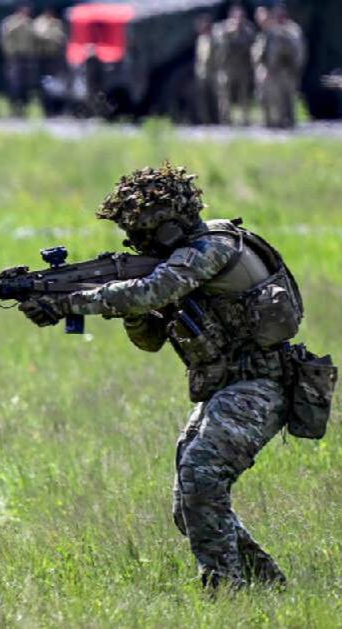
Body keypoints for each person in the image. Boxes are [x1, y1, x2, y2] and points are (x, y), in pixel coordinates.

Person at [19, 164, 303, 589]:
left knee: (202, 477)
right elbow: (150, 337)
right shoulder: (181, 261)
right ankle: (267, 585)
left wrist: (71, 303)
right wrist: (122, 311)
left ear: (168, 225)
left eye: (140, 231)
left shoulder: (214, 247)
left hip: (262, 383)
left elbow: (153, 291)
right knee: (187, 505)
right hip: (227, 388)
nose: (135, 242)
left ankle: (224, 588)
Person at [255, 5, 306, 128]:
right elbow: (263, 52)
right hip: (274, 72)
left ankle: (290, 125)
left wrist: (296, 68)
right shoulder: (270, 31)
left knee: (289, 100)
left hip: (288, 71)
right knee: (275, 101)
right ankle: (276, 124)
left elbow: (299, 51)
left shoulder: (292, 29)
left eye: (281, 15)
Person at [212, 4, 256, 125]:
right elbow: (217, 43)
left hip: (243, 67)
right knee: (225, 95)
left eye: (241, 16)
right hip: (226, 67)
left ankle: (245, 118)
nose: (239, 18)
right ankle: (225, 119)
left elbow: (251, 45)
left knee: (244, 94)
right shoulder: (221, 28)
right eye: (236, 16)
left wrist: (240, 33)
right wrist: (229, 33)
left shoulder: (248, 29)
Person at [0, 4, 37, 117]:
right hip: (14, 57)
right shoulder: (9, 22)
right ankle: (14, 109)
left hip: (27, 57)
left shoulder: (29, 23)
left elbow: (35, 37)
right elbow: (5, 37)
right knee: (14, 84)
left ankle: (24, 109)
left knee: (26, 84)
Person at [33, 7, 68, 116]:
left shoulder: (57, 23)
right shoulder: (39, 22)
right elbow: (41, 36)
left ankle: (57, 109)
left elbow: (62, 37)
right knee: (45, 84)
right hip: (44, 58)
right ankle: (47, 109)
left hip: (57, 58)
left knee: (58, 84)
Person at [194, 15, 219, 124]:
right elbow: (199, 58)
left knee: (215, 97)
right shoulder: (200, 39)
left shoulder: (215, 39)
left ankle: (216, 119)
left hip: (213, 72)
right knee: (202, 98)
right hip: (202, 73)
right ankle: (205, 119)